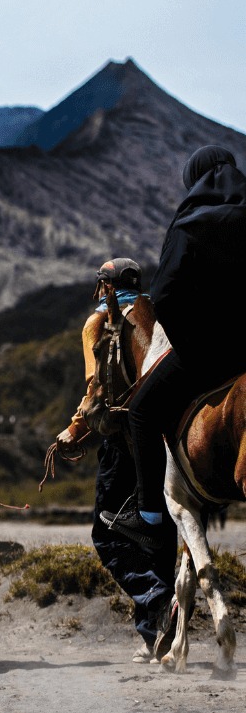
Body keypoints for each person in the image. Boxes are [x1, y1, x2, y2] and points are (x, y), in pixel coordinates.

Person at [104, 146, 246, 550]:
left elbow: (164, 293)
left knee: (142, 412)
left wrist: (191, 341)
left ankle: (148, 515)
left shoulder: (190, 223)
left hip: (206, 354)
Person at [54, 258, 176, 662]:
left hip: (121, 444)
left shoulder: (99, 322)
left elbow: (97, 389)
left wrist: (74, 431)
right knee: (156, 532)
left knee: (107, 533)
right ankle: (156, 634)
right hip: (161, 440)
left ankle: (157, 602)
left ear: (105, 286)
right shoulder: (155, 316)